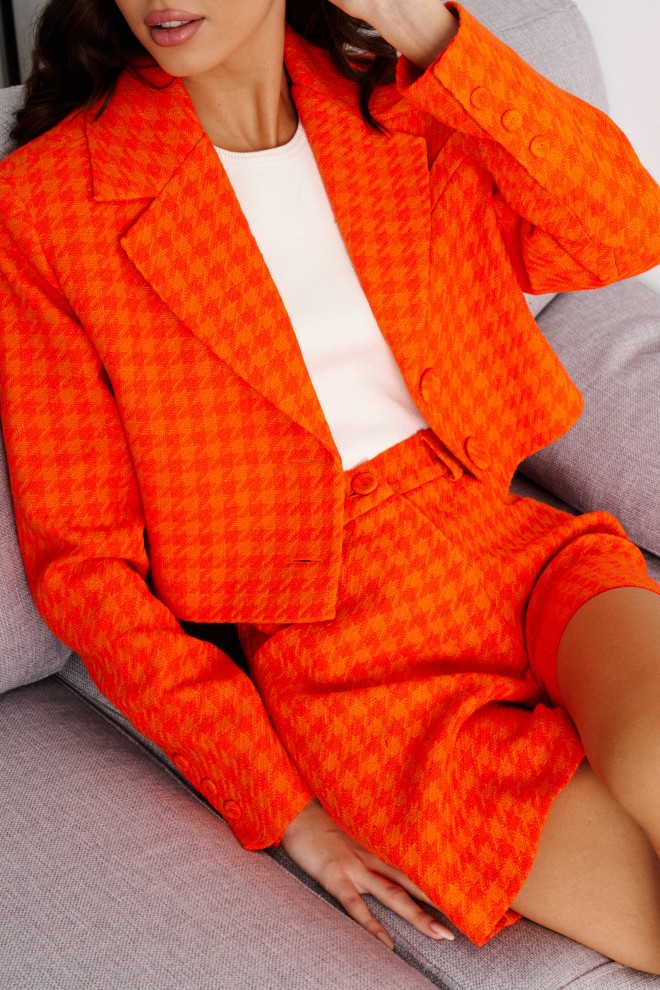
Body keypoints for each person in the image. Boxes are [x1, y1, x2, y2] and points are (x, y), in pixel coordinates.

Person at [2, 0, 660, 973]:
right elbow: (82, 565)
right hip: (349, 665)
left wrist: (430, 33)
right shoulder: (49, 203)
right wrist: (283, 806)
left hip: (516, 551)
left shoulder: (397, 100)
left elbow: (624, 231)